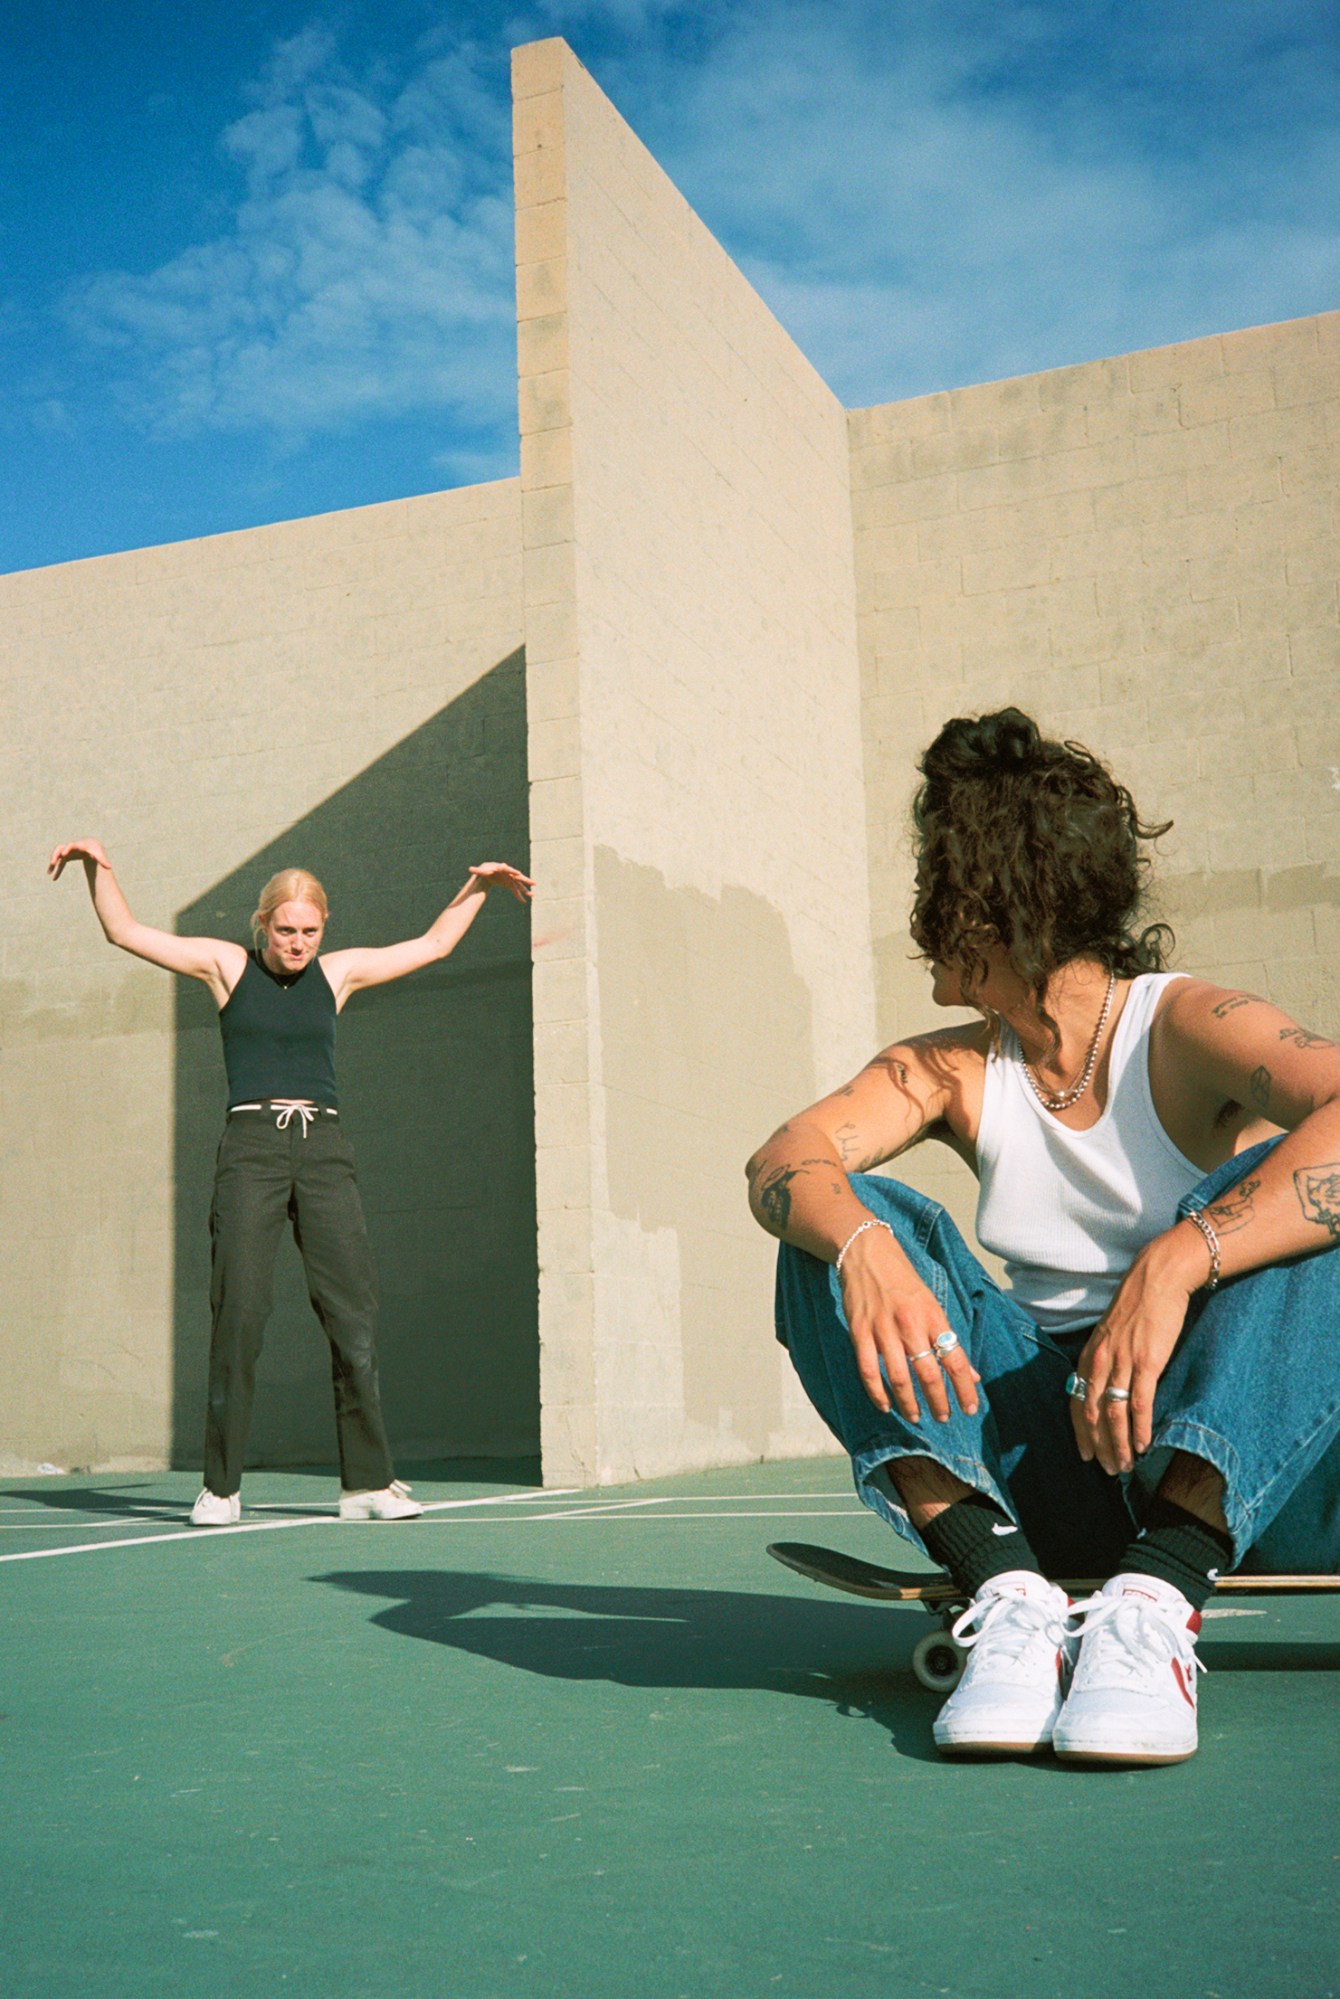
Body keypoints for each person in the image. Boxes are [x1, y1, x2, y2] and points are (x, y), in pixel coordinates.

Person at [747, 708, 1340, 1766]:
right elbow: (781, 1160)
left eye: (935, 877)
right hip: (1046, 1462)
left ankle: (1156, 1599)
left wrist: (1175, 1258)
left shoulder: (1180, 1022)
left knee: (1309, 1192)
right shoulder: (950, 1070)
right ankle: (1006, 1595)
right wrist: (863, 1252)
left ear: (985, 906)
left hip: (1229, 1457)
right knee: (827, 1223)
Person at [49, 840, 533, 1528]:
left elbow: (432, 945)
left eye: (310, 930)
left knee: (353, 1316)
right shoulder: (226, 966)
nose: (298, 942)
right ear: (264, 923)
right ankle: (220, 1488)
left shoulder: (336, 975)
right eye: (286, 930)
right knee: (240, 1316)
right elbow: (123, 931)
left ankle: (366, 1483)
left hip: (325, 1151)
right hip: (251, 1149)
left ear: (323, 928)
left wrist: (480, 886)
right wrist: (100, 866)